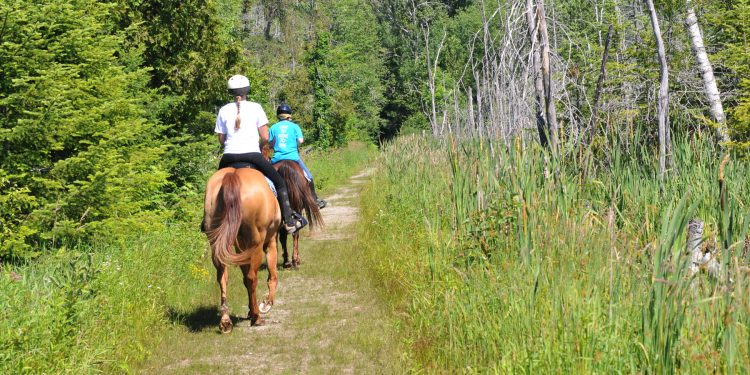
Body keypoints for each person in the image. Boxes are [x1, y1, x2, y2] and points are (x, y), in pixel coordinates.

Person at [215, 75, 306, 233]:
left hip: (228, 157)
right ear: (247, 90)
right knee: (279, 182)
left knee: (215, 187)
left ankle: (209, 219)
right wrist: (257, 145)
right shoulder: (256, 107)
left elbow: (221, 140)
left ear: (230, 92)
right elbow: (265, 137)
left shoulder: (223, 110)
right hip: (252, 155)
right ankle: (289, 220)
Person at [268, 104, 327, 209]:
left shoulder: (273, 127)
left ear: (278, 116)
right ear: (289, 116)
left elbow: (270, 144)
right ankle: (315, 200)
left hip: (277, 159)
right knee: (309, 177)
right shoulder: (295, 127)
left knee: (266, 179)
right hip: (293, 158)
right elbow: (300, 141)